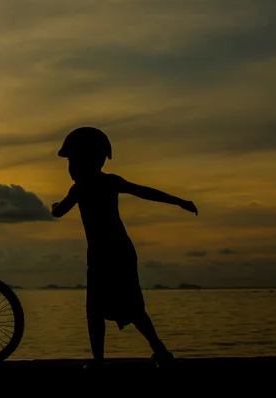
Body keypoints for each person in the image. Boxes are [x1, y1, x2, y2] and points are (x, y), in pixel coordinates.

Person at [50, 127, 198, 369]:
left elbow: (58, 211)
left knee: (95, 311)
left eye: (72, 159)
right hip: (122, 252)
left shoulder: (79, 188)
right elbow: (145, 192)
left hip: (101, 256)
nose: (70, 166)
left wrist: (53, 206)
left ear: (87, 158)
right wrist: (179, 201)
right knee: (133, 308)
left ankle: (99, 362)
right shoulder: (110, 182)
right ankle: (160, 351)